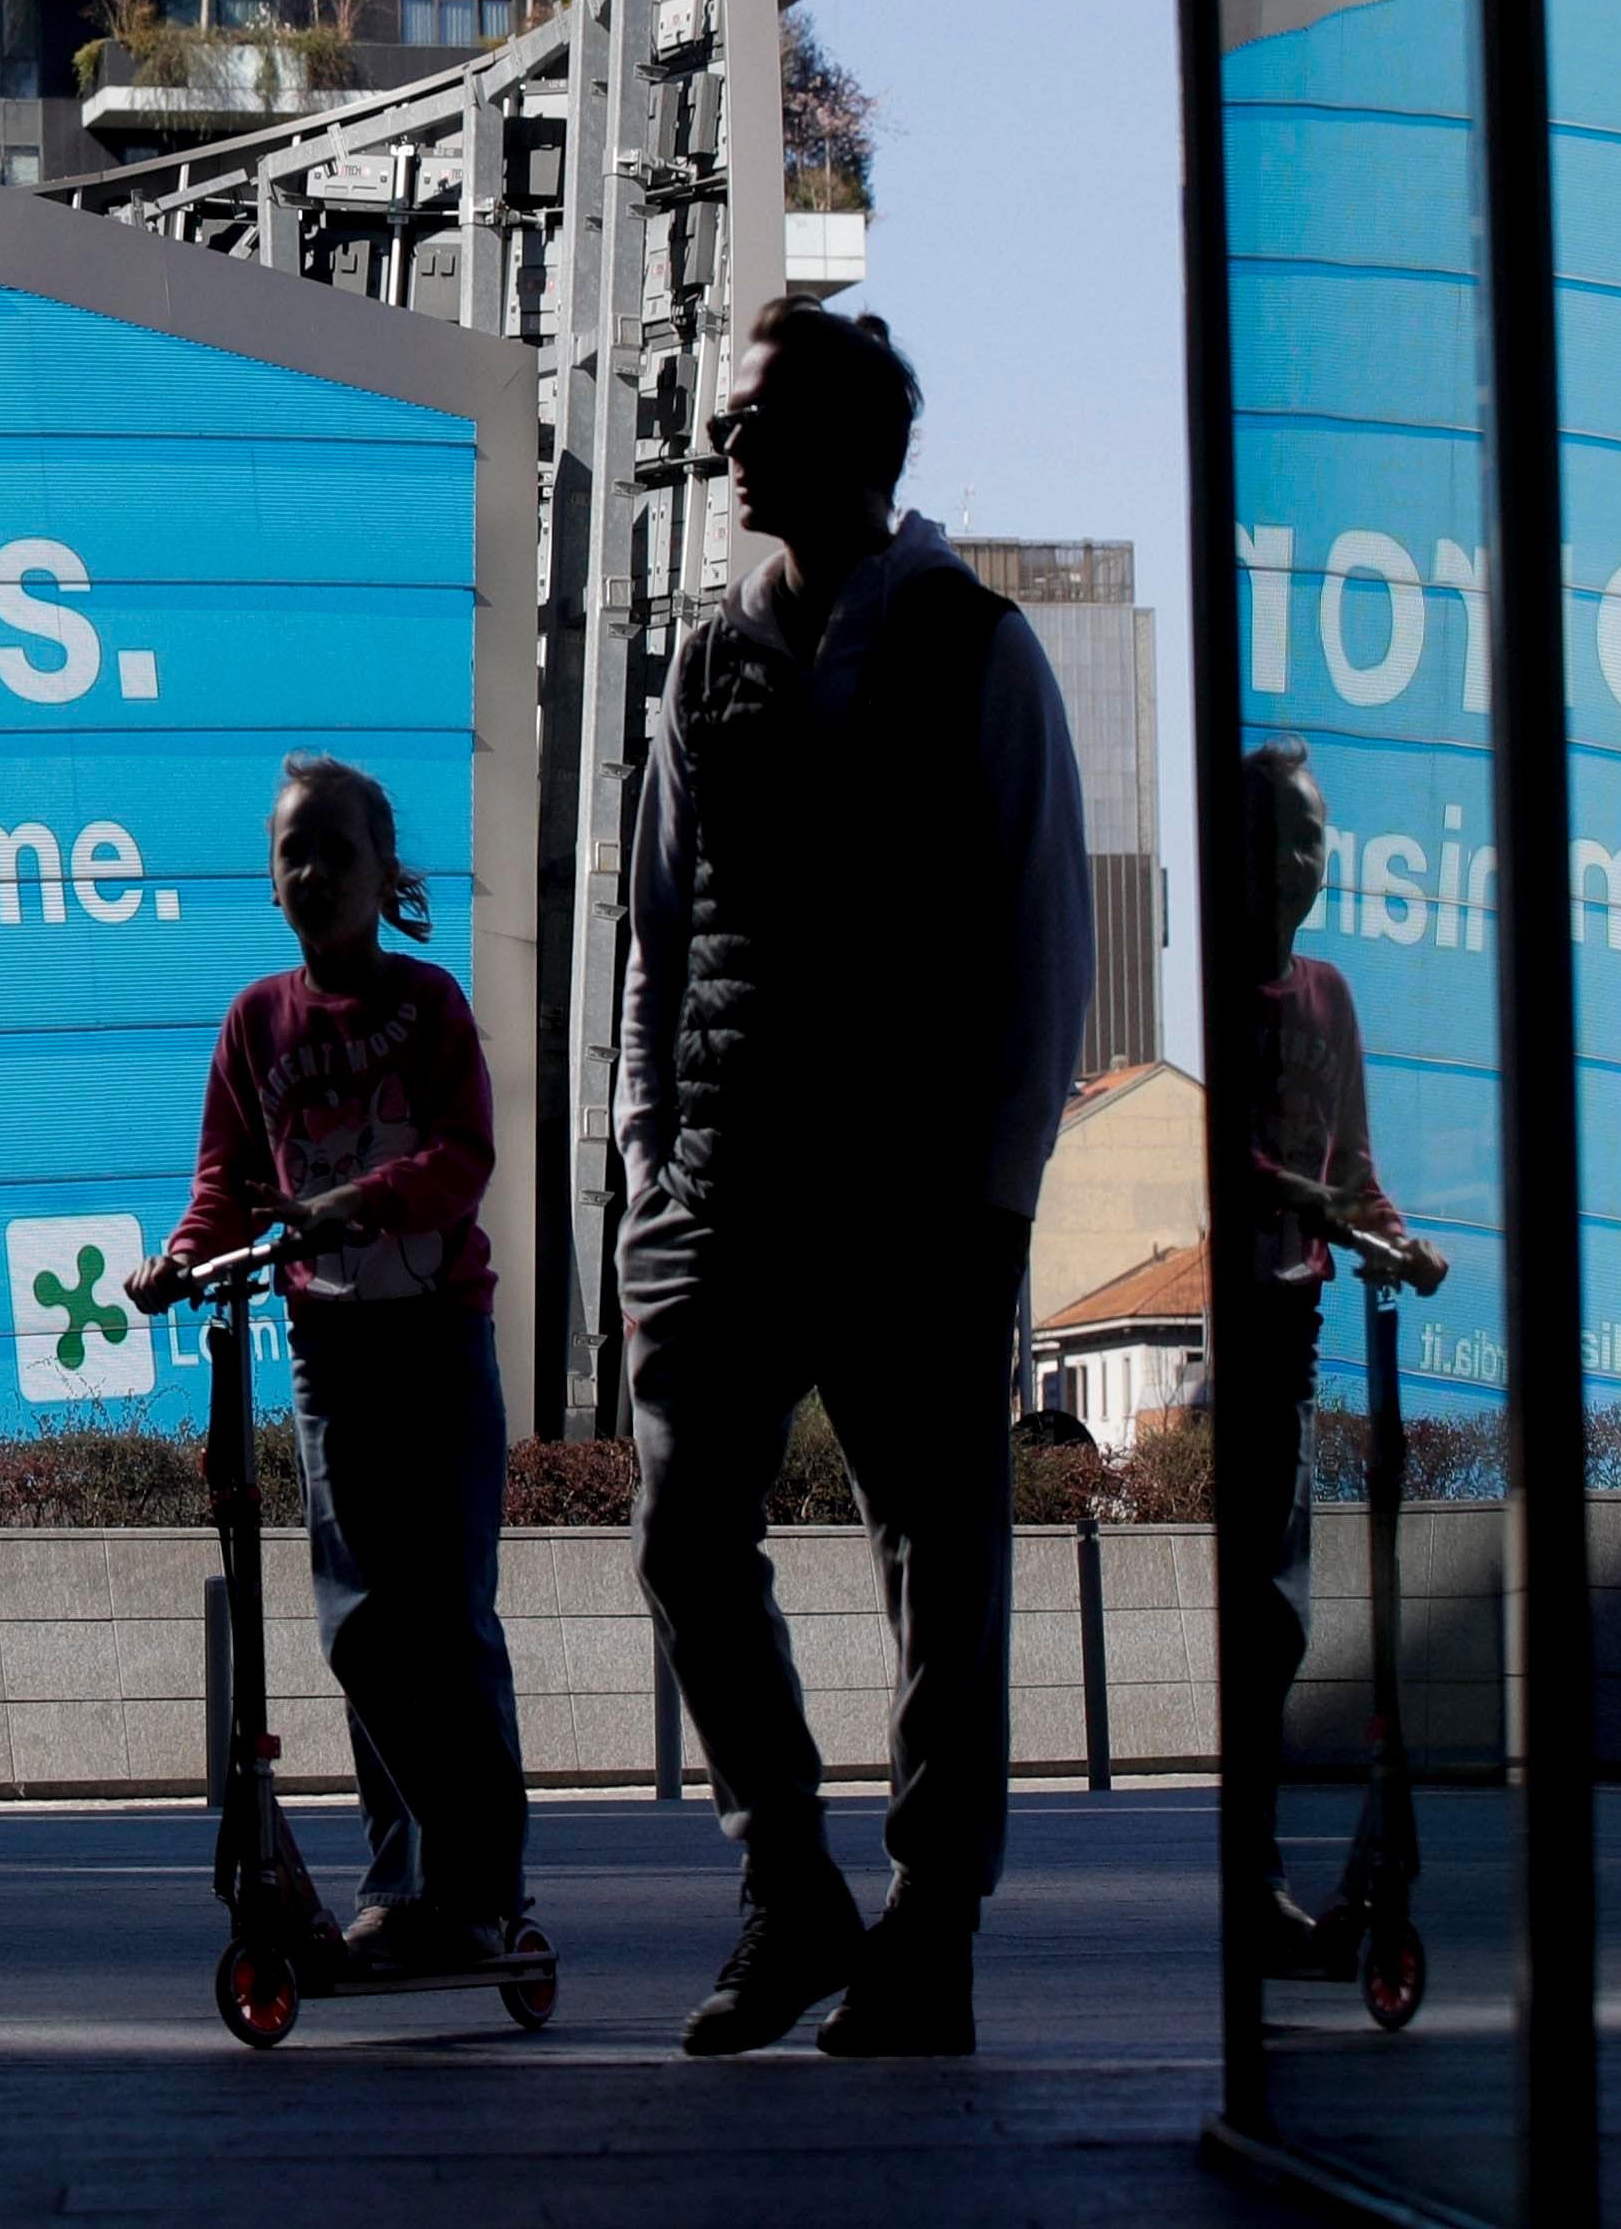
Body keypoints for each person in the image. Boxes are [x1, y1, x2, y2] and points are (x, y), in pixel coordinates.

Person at [616, 298, 1093, 2058]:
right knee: (679, 1536)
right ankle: (789, 1888)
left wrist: (993, 1192)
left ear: (843, 438)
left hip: (913, 1206)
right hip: (723, 1195)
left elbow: (1048, 934)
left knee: (941, 1560)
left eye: (747, 413)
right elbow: (656, 934)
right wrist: (643, 1154)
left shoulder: (979, 648)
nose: (719, 436)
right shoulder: (700, 662)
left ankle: (928, 1925)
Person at [125, 756, 527, 1972]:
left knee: (446, 1619)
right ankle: (407, 1882)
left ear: (381, 871)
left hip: (437, 1341)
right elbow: (227, 1187)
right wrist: (179, 1262)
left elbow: (462, 1159)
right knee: (359, 1629)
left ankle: (478, 1887)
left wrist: (361, 1200)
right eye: (291, 852)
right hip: (329, 1352)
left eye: (332, 851)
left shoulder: (430, 1005)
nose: (310, 872)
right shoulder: (254, 1024)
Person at [1224, 738, 1446, 1968]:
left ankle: (1259, 1873)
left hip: (1301, 1323)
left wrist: (1398, 1241)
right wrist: (1312, 1204)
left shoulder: (1329, 998)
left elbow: (1353, 1168)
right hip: (1241, 1322)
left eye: (1316, 840)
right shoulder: (1219, 987)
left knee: (1284, 1610)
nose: (1306, 862)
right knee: (1264, 1612)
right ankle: (1248, 1876)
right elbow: (1232, 1155)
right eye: (1286, 838)